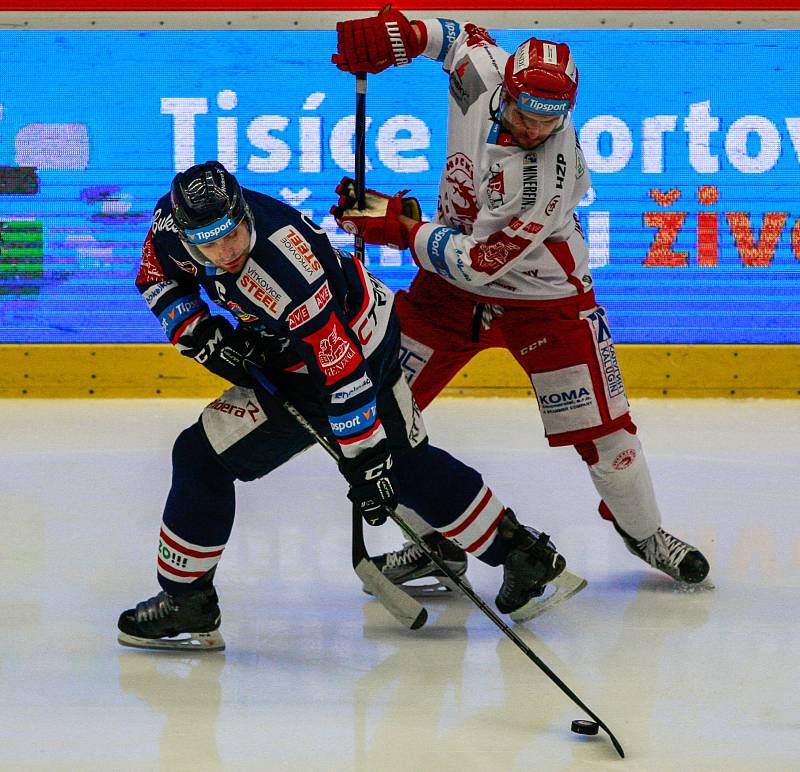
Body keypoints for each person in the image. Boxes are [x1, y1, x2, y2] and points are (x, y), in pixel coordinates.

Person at [118, 160, 577, 651]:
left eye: (233, 235)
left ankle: (186, 601)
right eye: (209, 244)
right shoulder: (172, 223)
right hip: (373, 322)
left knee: (200, 459)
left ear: (244, 212)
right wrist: (197, 330)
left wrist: (364, 458)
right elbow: (156, 275)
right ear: (185, 233)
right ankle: (521, 553)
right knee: (407, 464)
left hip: (336, 360)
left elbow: (339, 372)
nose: (226, 252)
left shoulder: (286, 274)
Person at [331, 9, 710, 593]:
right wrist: (400, 36)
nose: (536, 127)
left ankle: (645, 532)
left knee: (609, 439)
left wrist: (399, 227)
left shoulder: (548, 175)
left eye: (552, 117)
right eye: (527, 112)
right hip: (447, 296)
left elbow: (482, 261)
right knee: (378, 417)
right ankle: (439, 540)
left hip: (543, 300)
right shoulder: (484, 73)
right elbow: (458, 38)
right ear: (504, 87)